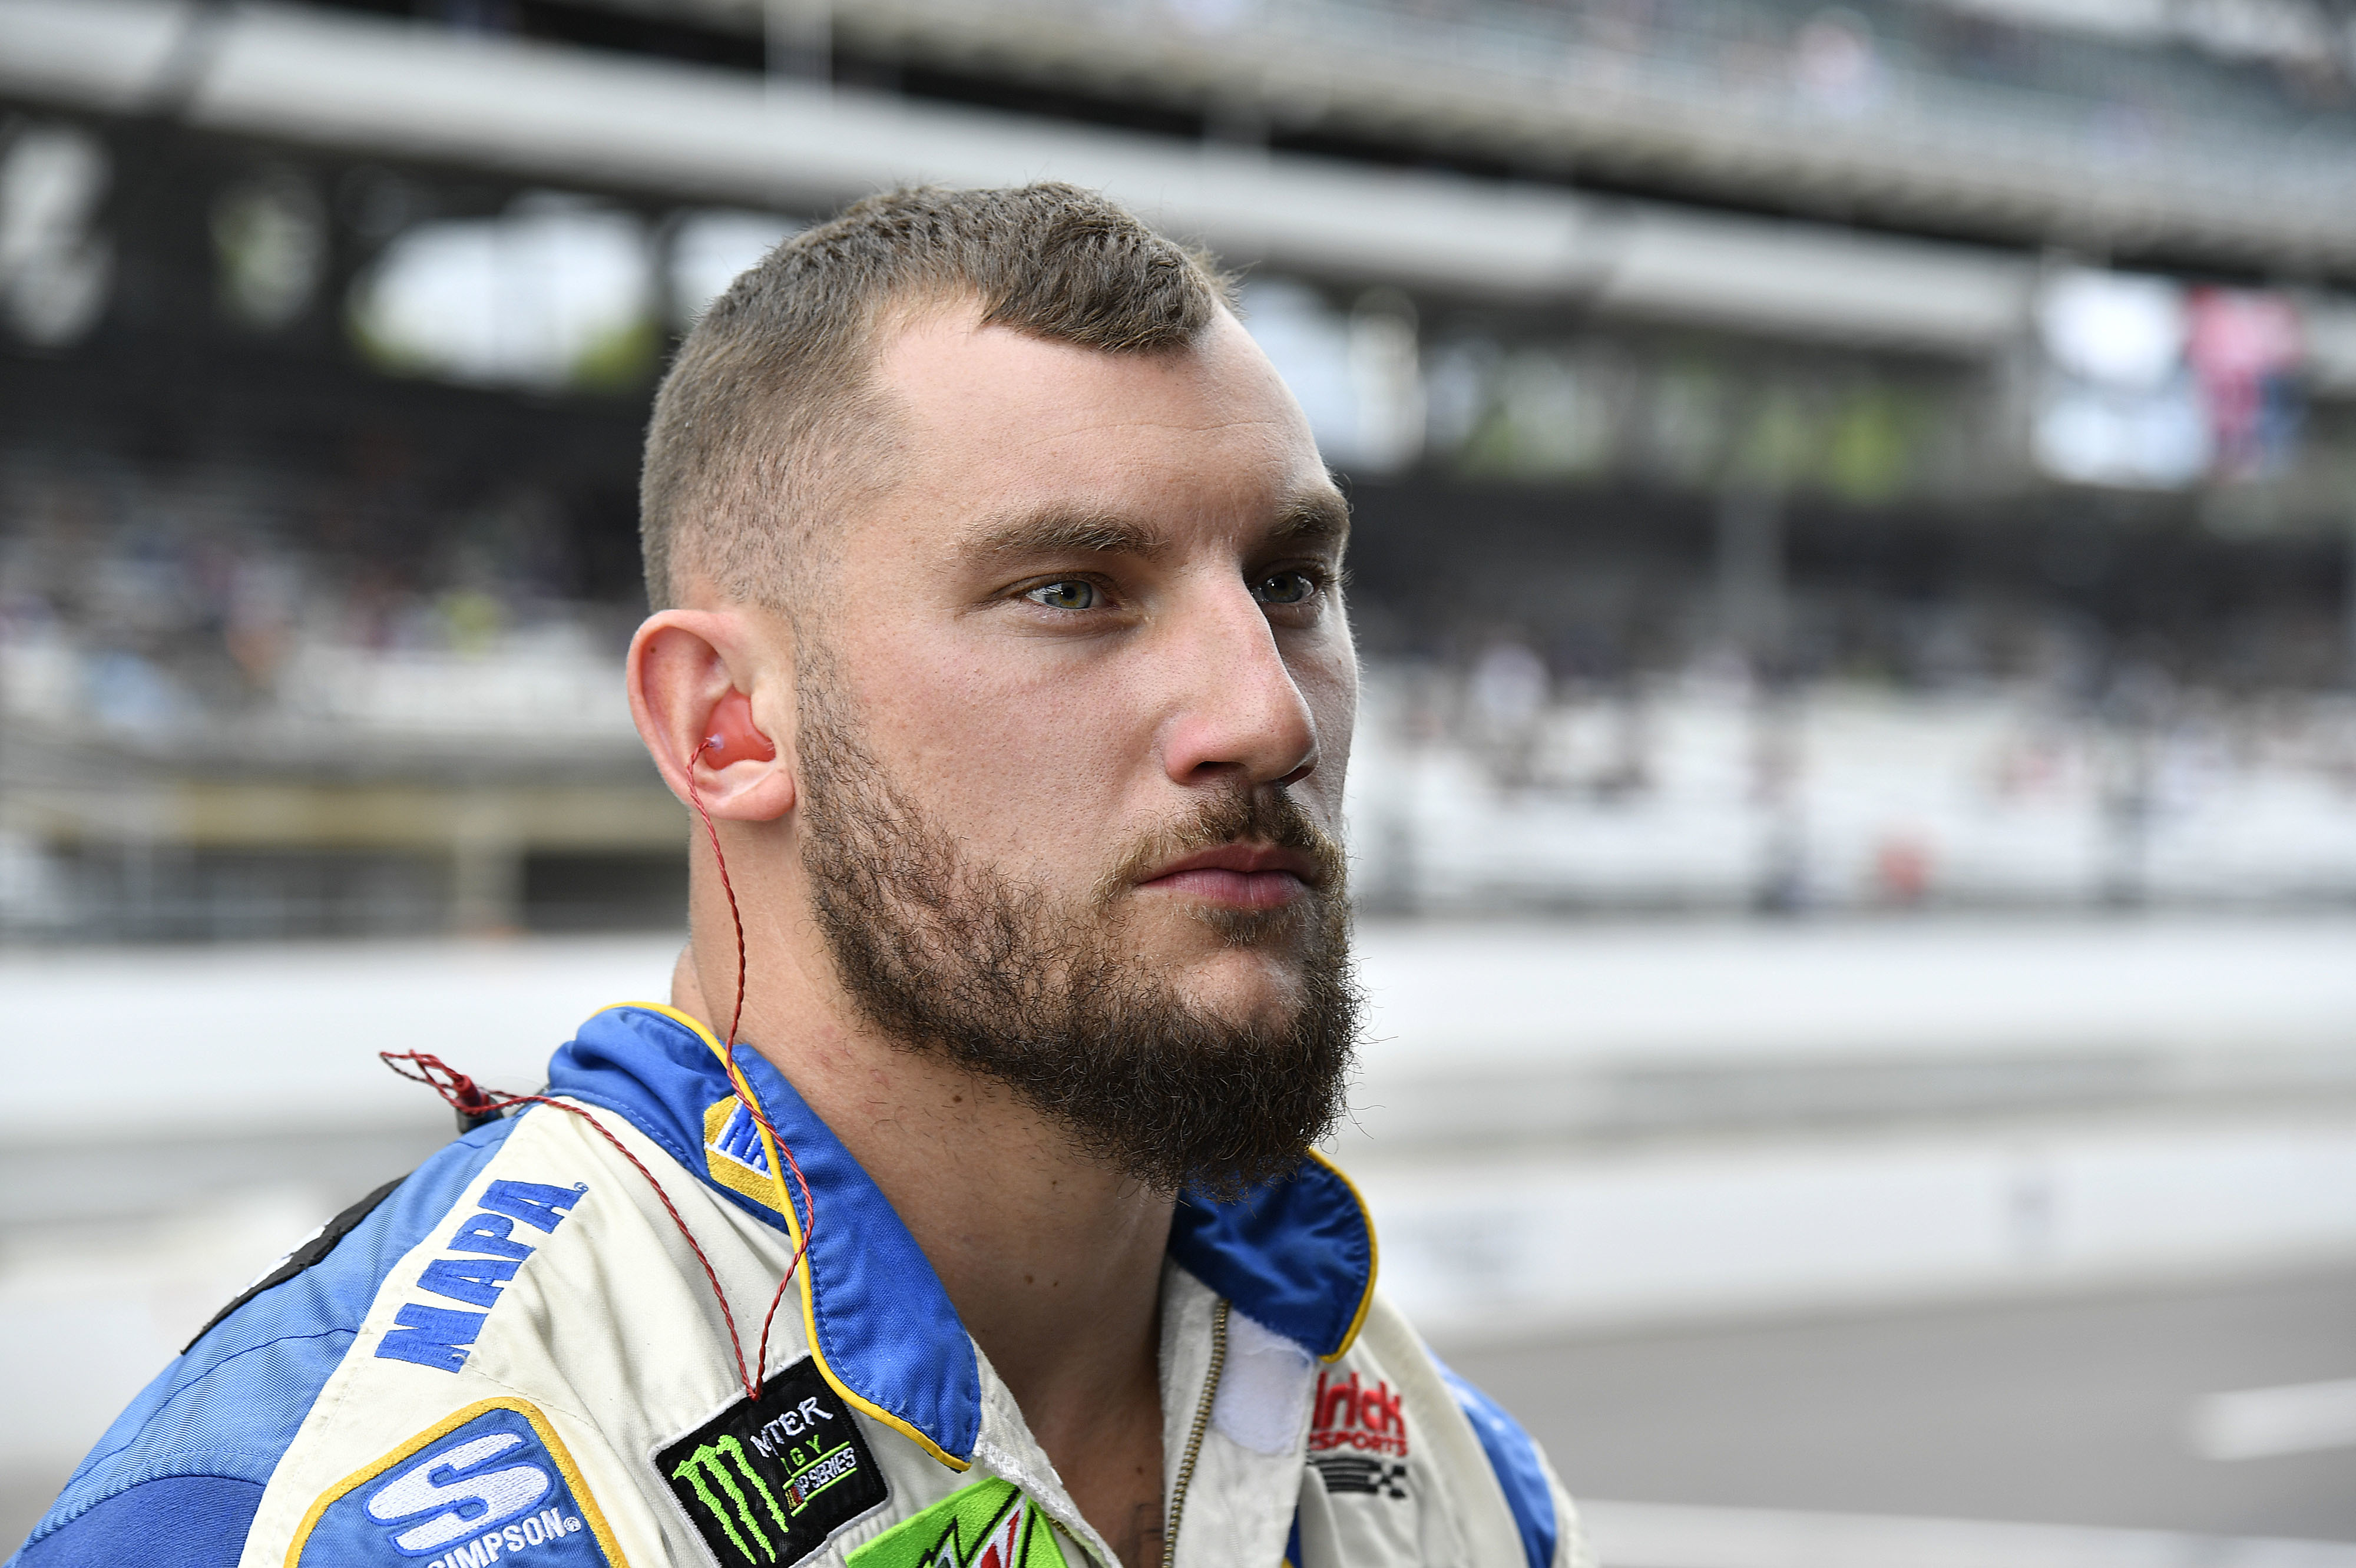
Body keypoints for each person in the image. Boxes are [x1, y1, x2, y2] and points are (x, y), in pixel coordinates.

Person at [13, 184, 1589, 1568]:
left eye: (1292, 581)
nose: (1268, 714)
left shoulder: (1454, 1487)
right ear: (728, 724)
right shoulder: (331, 1510)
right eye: (1073, 591)